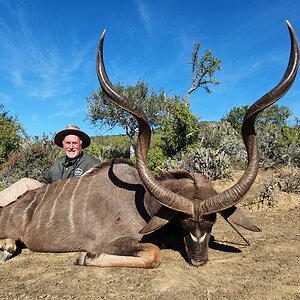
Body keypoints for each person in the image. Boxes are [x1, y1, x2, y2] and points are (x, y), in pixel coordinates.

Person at [0, 124, 99, 206]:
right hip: (50, 195)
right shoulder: (59, 162)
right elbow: (45, 181)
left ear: (81, 144)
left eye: (75, 143)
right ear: (63, 145)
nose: (71, 147)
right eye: (68, 143)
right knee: (25, 182)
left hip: (71, 201)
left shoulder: (91, 163)